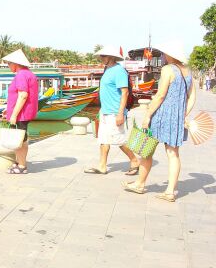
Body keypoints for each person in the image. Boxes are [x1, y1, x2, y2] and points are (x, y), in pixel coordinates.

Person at [122, 43, 196, 202]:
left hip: (161, 115)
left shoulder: (168, 69)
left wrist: (148, 115)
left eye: (165, 53)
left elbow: (161, 96)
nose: (163, 56)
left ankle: (140, 184)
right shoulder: (188, 72)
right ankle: (170, 191)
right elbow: (192, 98)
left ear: (170, 55)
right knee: (173, 154)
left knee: (147, 150)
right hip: (176, 119)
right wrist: (182, 115)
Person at [84, 46, 139, 175]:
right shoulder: (107, 69)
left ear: (111, 57)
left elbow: (124, 92)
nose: (101, 58)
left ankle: (134, 160)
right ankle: (102, 166)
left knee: (119, 140)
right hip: (105, 111)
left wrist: (120, 113)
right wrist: (101, 110)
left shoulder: (119, 71)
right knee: (103, 139)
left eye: (103, 56)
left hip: (115, 111)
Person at [1, 49, 39, 174]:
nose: (8, 66)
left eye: (8, 64)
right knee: (22, 138)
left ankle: (22, 165)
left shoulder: (21, 75)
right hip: (24, 112)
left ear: (15, 64)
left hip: (21, 114)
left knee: (20, 139)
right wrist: (9, 109)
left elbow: (23, 95)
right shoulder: (28, 74)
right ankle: (20, 162)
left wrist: (14, 115)